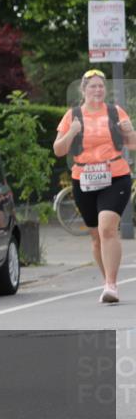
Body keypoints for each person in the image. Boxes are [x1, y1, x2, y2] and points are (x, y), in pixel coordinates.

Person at [52, 68, 136, 303]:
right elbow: (59, 150)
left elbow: (133, 144)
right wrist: (72, 132)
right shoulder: (73, 115)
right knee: (96, 236)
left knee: (107, 228)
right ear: (83, 90)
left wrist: (130, 132)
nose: (97, 90)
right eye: (93, 86)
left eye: (101, 86)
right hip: (84, 178)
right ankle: (106, 280)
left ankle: (111, 285)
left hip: (116, 175)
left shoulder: (115, 112)